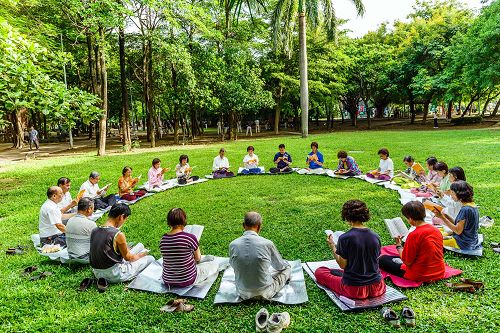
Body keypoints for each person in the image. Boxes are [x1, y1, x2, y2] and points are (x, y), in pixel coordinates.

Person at [314, 200, 386, 299]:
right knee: (339, 272)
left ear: (347, 216)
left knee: (320, 271)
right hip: (378, 287)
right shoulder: (375, 236)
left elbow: (342, 265)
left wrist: (332, 246)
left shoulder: (345, 238)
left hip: (354, 289)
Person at [229, 212, 291, 300]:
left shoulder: (233, 245)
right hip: (265, 291)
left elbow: (233, 265)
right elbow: (279, 266)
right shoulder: (267, 243)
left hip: (242, 292)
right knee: (287, 268)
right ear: (259, 227)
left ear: (243, 225)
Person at [379, 201, 445, 282]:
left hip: (421, 275)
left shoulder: (414, 235)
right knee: (393, 258)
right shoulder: (436, 230)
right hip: (439, 271)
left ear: (410, 218)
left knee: (382, 259)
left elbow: (407, 262)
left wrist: (398, 245)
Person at [90, 204, 155, 283]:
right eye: (125, 219)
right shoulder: (118, 234)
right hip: (114, 274)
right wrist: (141, 255)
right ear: (121, 217)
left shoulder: (94, 230)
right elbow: (129, 258)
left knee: (140, 246)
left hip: (97, 273)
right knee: (150, 258)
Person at [160, 208, 218, 287]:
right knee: (214, 265)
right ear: (184, 221)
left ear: (169, 222)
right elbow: (198, 258)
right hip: (188, 279)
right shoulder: (190, 237)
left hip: (167, 280)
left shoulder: (163, 239)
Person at [433, 181, 480, 250]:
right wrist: (446, 216)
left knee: (431, 241)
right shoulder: (472, 205)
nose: (451, 196)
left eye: (452, 193)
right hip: (469, 241)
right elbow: (459, 224)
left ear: (459, 194)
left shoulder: (465, 209)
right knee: (436, 233)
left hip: (462, 243)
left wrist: (442, 217)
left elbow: (457, 230)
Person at [65, 197, 97, 262]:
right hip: (84, 257)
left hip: (71, 255)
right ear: (89, 209)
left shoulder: (70, 220)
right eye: (93, 208)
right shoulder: (91, 224)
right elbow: (97, 243)